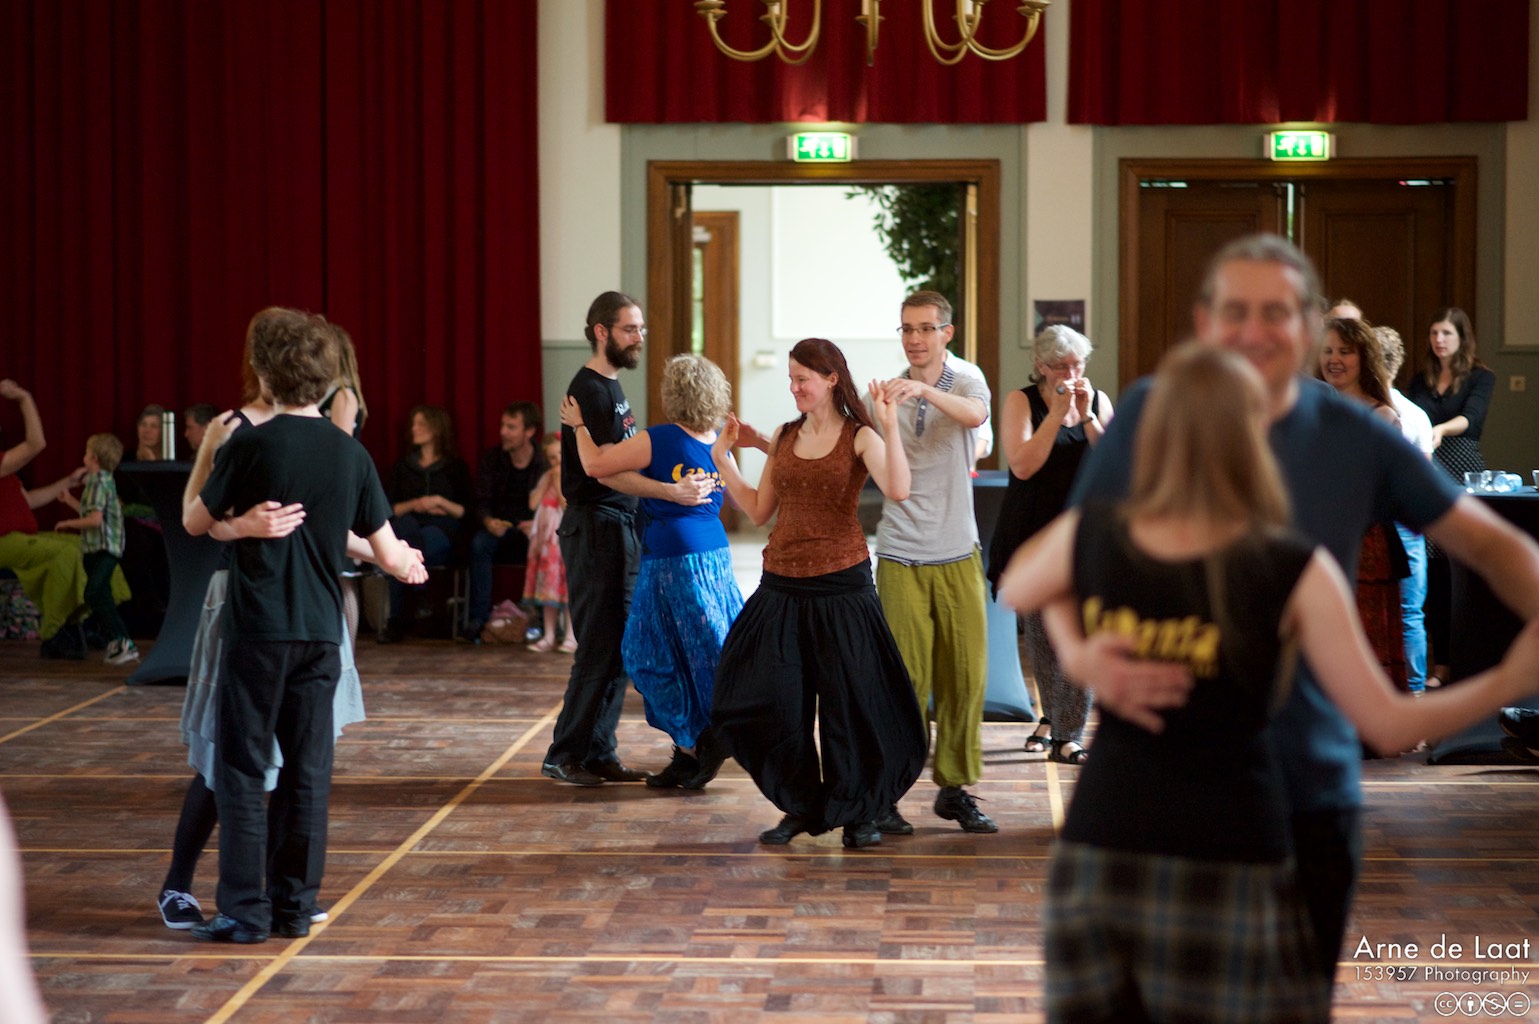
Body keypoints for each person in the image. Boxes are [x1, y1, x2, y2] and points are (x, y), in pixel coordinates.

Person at [1001, 342, 1539, 1024]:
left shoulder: (1286, 565)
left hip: (1235, 856)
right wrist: (1083, 659)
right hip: (1109, 844)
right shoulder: (1110, 529)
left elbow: (1385, 723)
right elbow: (1024, 581)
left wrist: (1510, 678)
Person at [183, 307, 425, 944]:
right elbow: (387, 550)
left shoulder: (250, 445)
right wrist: (408, 563)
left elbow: (195, 522)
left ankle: (245, 913)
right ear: (327, 379)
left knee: (242, 770)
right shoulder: (351, 454)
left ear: (265, 373)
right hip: (322, 633)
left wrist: (216, 478)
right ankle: (294, 908)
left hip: (258, 631)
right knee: (308, 772)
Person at [710, 337, 927, 849]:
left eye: (802, 379)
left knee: (850, 705)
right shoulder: (785, 436)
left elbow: (899, 489)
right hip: (782, 586)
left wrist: (889, 425)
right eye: (790, 379)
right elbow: (758, 510)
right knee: (776, 702)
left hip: (842, 586)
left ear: (831, 379)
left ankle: (859, 811)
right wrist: (723, 458)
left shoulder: (860, 436)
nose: (794, 387)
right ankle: (801, 806)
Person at [540, 291, 714, 788]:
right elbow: (604, 471)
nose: (639, 337)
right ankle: (564, 753)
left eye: (641, 328)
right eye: (629, 329)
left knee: (619, 646)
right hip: (596, 528)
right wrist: (669, 492)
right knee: (598, 646)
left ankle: (599, 751)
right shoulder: (589, 390)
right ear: (602, 332)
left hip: (616, 526)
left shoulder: (611, 386)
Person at [561, 353, 743, 789]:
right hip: (715, 556)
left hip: (671, 558)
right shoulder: (716, 439)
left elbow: (595, 467)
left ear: (672, 394)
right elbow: (740, 498)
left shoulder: (658, 438)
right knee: (703, 651)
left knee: (645, 653)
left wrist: (579, 426)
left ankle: (700, 738)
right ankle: (691, 751)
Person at [869, 290, 996, 835]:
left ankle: (954, 790)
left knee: (965, 677)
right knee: (905, 682)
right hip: (900, 552)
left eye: (925, 328)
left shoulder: (966, 379)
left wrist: (923, 390)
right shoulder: (885, 393)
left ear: (947, 332)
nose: (914, 339)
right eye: (906, 329)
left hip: (957, 550)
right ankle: (888, 793)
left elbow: (976, 415)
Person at [986, 323, 1113, 767]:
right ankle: (1052, 719)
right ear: (1041, 366)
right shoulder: (1021, 401)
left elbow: (1112, 463)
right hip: (1033, 537)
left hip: (1084, 537)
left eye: (1078, 364)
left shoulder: (1097, 400)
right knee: (1043, 640)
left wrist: (1088, 415)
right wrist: (1057, 414)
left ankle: (1066, 735)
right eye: (1061, 366)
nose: (1072, 373)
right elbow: (1022, 466)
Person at [1316, 316, 1409, 692]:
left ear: (1364, 357)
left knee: (1363, 639)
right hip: (1320, 541)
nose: (1334, 359)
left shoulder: (1382, 416)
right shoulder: (1316, 412)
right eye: (1327, 351)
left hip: (1364, 543)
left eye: (1345, 351)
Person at [1407, 307, 1497, 690]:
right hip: (1429, 469)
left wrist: (1440, 429)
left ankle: (1466, 662)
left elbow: (1472, 419)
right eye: (1434, 333)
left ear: (1462, 338)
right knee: (1432, 572)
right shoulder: (1421, 379)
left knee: (1459, 570)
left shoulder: (1481, 376)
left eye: (1446, 333)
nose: (1438, 340)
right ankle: (1439, 663)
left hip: (1462, 471)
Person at [0, 379, 97, 659]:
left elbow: (29, 501)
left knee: (86, 546)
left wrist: (69, 481)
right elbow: (36, 444)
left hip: (21, 538)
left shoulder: (6, 468)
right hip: (5, 541)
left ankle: (85, 619)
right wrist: (24, 399)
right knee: (63, 554)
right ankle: (55, 632)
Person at [378, 405, 473, 642]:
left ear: (436, 429)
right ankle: (421, 594)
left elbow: (466, 511)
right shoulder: (404, 467)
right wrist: (415, 503)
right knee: (403, 532)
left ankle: (396, 619)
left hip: (442, 529)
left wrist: (439, 502)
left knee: (402, 548)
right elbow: (389, 508)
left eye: (421, 424)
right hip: (409, 524)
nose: (414, 429)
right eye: (414, 424)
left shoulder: (455, 467)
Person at [1374, 324, 1434, 693]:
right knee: (1410, 611)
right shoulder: (1417, 415)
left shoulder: (1375, 411)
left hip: (1381, 523)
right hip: (1408, 522)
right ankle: (1413, 690)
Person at [54, 433, 138, 665]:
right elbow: (89, 512)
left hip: (105, 548)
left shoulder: (100, 482)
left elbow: (94, 520)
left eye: (87, 453)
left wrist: (67, 523)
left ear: (94, 458)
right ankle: (120, 641)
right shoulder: (96, 481)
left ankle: (122, 640)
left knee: (93, 592)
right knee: (102, 595)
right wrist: (69, 501)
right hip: (94, 547)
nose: (84, 457)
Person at [465, 402, 545, 640]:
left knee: (549, 545)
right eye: (503, 425)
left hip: (531, 529)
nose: (503, 432)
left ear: (529, 431)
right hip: (500, 528)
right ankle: (479, 619)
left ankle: (542, 620)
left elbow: (553, 502)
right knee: (479, 544)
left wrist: (536, 525)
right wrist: (489, 521)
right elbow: (481, 501)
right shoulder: (492, 459)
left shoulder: (544, 462)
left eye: (511, 427)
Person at [524, 433, 573, 652]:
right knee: (547, 588)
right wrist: (549, 481)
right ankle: (549, 635)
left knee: (568, 587)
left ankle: (571, 635)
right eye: (552, 457)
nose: (557, 461)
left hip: (563, 539)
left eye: (560, 454)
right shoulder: (548, 476)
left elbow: (565, 505)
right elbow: (533, 503)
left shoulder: (570, 477)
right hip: (546, 543)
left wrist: (558, 481)